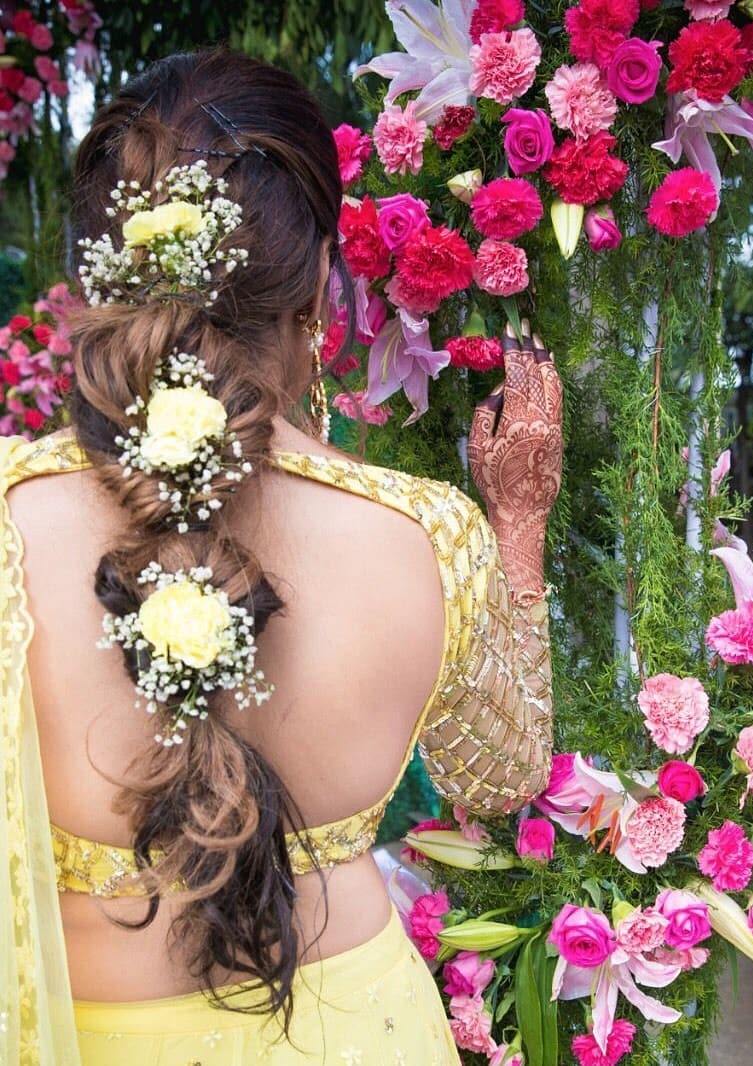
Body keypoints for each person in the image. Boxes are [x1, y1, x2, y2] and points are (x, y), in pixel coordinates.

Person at [0, 50, 562, 1065]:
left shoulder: (8, 514)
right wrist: (516, 529)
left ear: (100, 273)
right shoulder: (426, 534)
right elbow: (503, 771)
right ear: (314, 283)